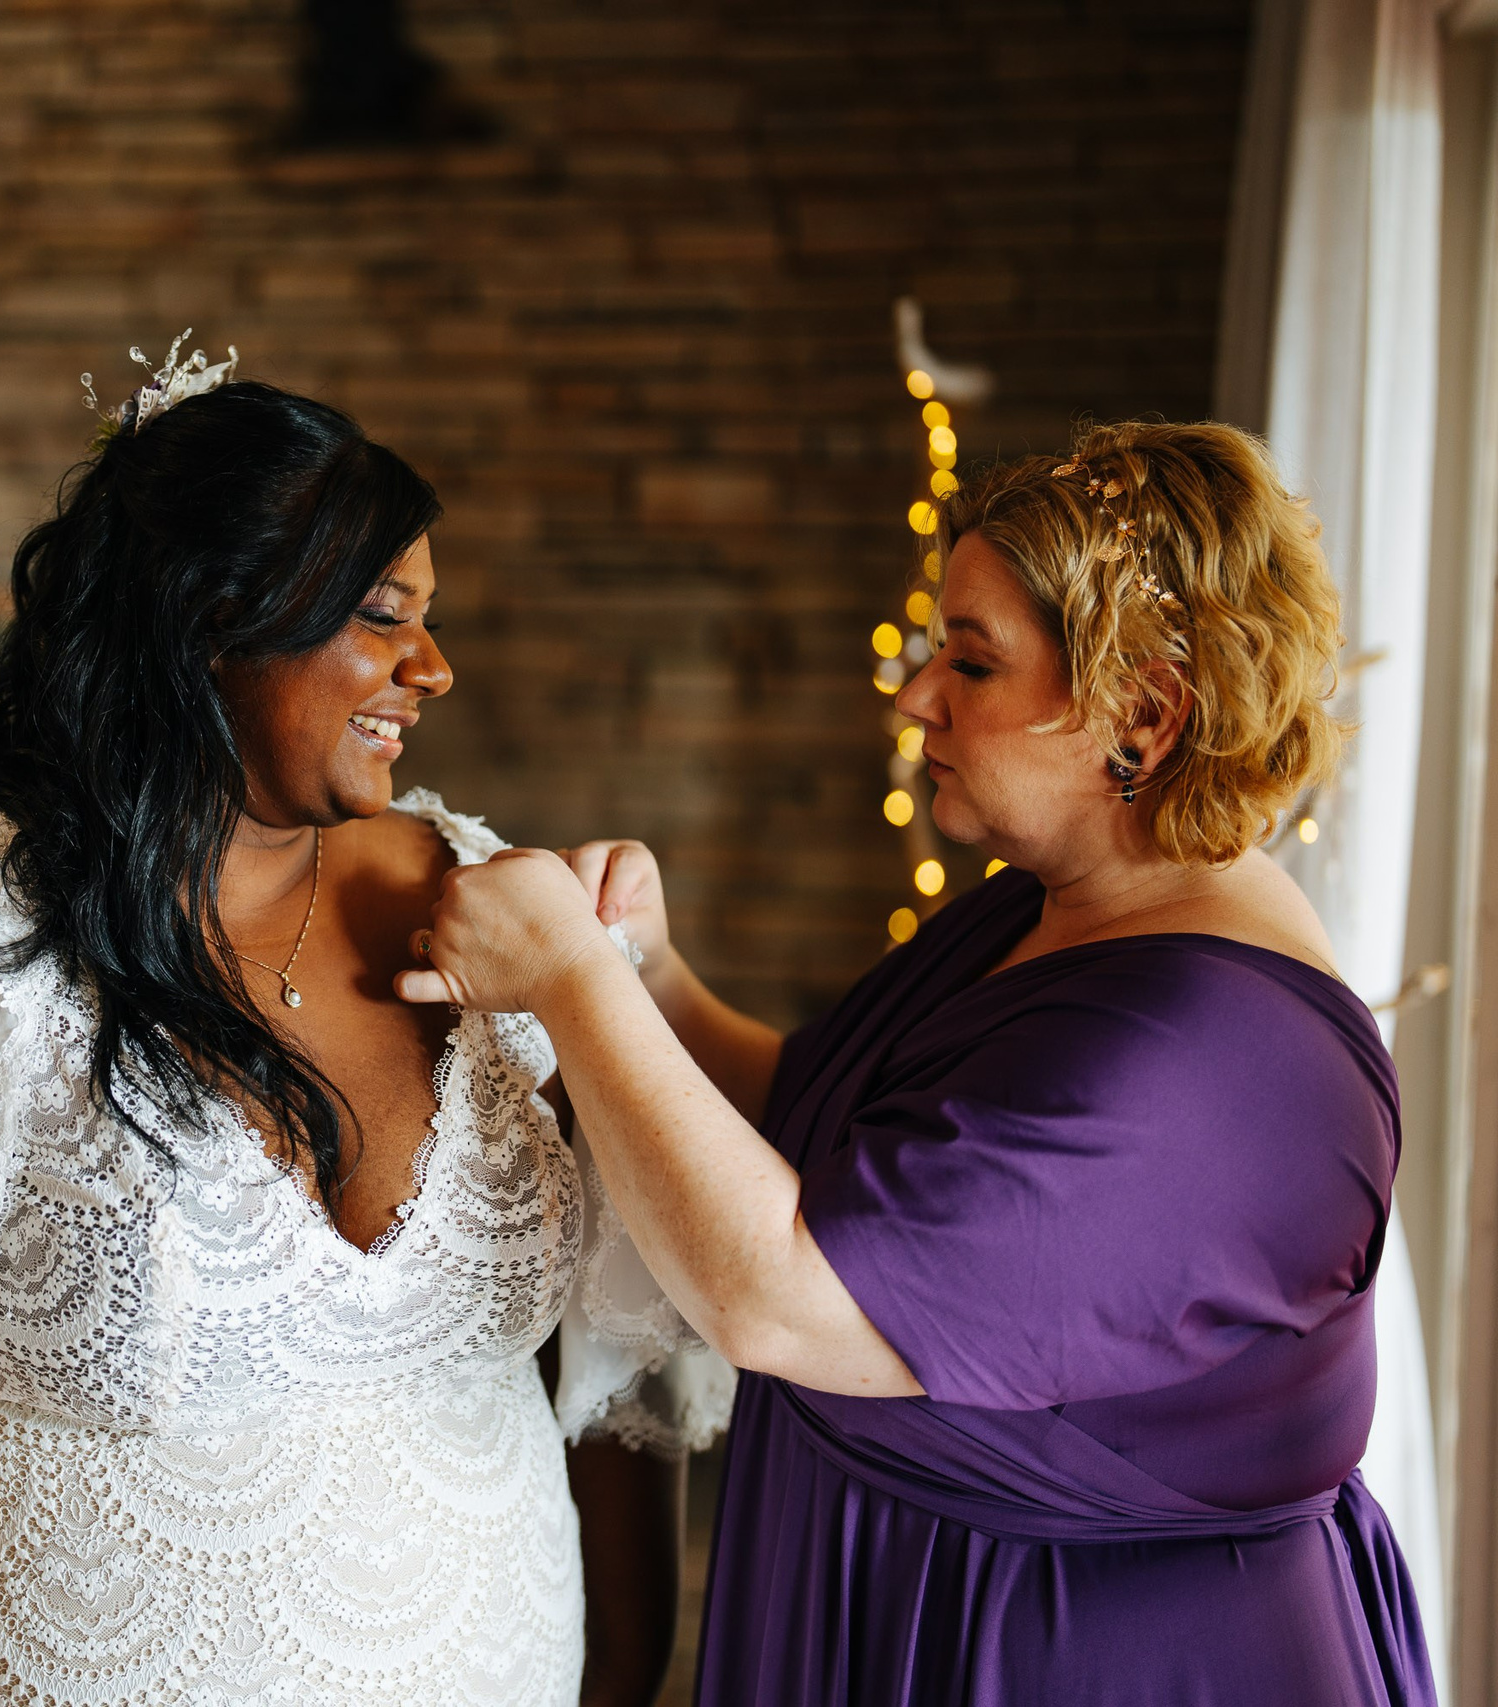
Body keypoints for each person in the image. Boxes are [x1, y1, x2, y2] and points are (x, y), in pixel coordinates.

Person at [0, 352, 732, 1705]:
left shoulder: (494, 908)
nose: (433, 667)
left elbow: (620, 1373)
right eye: (381, 614)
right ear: (211, 619)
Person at [398, 419, 1433, 1704]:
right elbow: (819, 1127)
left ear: (1144, 716)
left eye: (973, 663)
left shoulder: (1203, 1068)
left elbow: (777, 1295)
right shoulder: (1063, 898)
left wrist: (571, 983)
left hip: (1076, 1656)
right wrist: (652, 974)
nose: (915, 693)